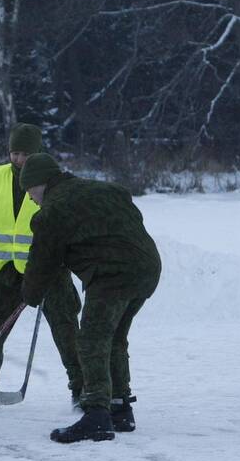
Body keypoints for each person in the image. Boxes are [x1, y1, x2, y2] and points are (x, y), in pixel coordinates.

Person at [19, 153, 161, 443]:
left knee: (92, 340)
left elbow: (42, 260)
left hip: (113, 275)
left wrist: (30, 293)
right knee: (115, 338)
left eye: (30, 192)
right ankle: (120, 408)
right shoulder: (103, 189)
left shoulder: (51, 211)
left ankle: (97, 414)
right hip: (148, 267)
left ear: (41, 184)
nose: (31, 199)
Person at [0, 123, 83, 413]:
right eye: (15, 153)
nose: (19, 159)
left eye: (25, 153)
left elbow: (71, 222)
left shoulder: (54, 180)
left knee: (66, 328)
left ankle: (82, 389)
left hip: (49, 268)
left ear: (37, 151)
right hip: (9, 269)